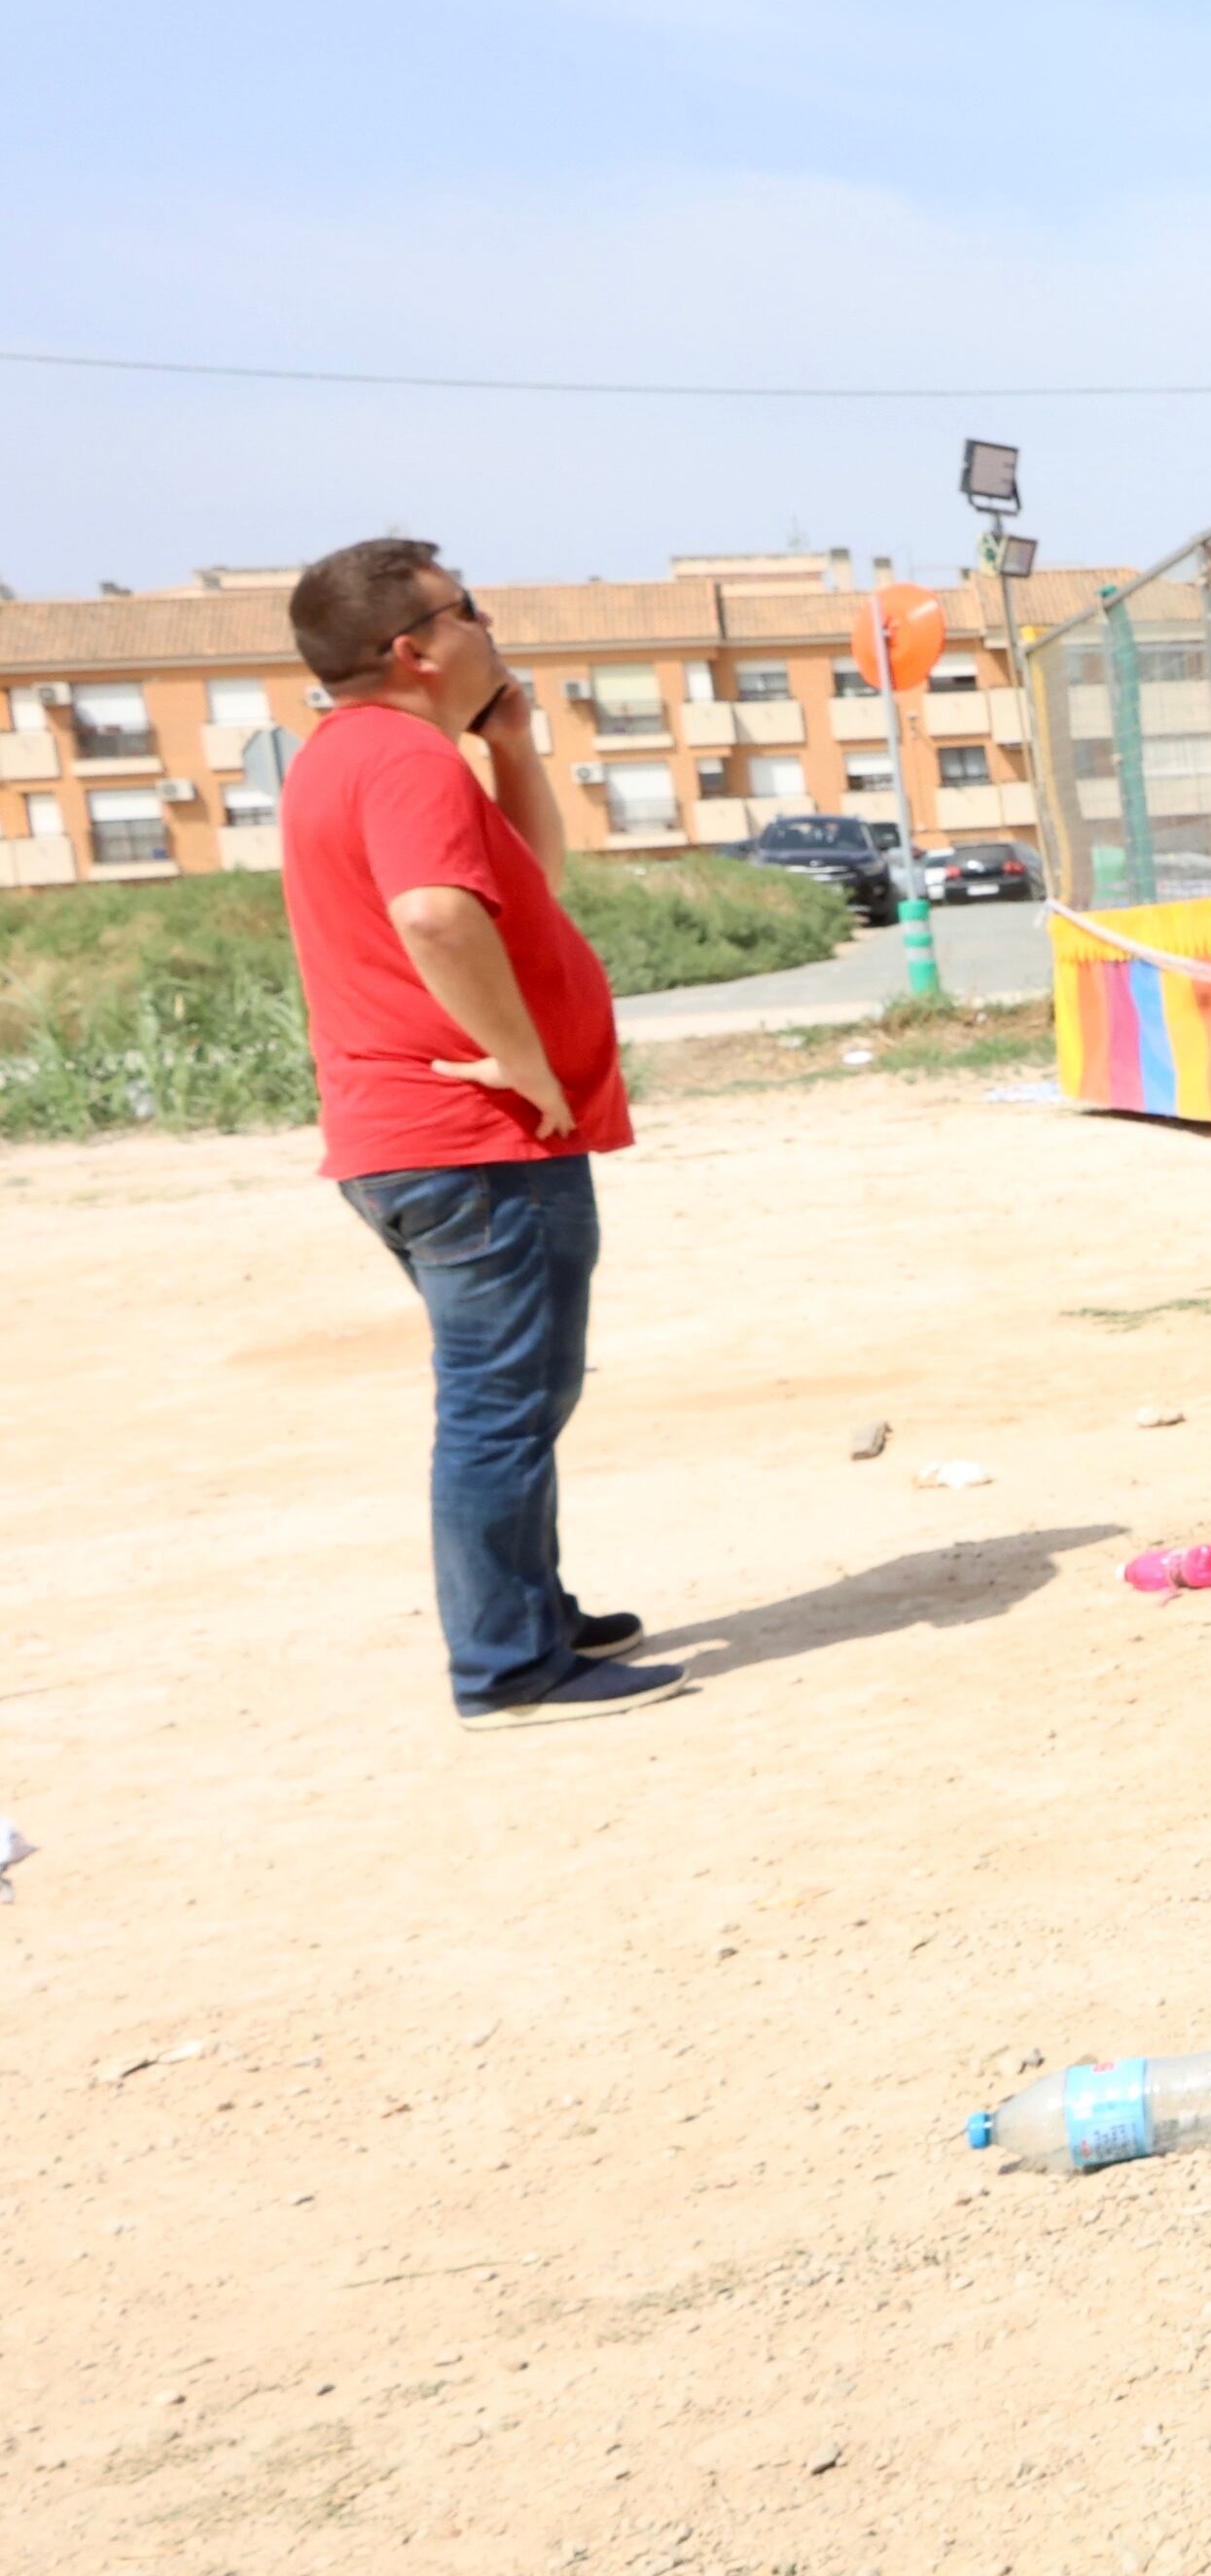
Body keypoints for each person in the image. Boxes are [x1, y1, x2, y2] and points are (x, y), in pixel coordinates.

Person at [278, 536, 684, 1727]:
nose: (491, 624)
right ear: (411, 650)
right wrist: (521, 1060)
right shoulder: (399, 759)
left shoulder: (374, 755)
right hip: (468, 1135)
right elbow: (435, 916)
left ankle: (532, 1613)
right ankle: (509, 1667)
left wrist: (508, 748)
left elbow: (527, 883)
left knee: (523, 1390)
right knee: (502, 1400)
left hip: (425, 1137)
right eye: (469, 611)